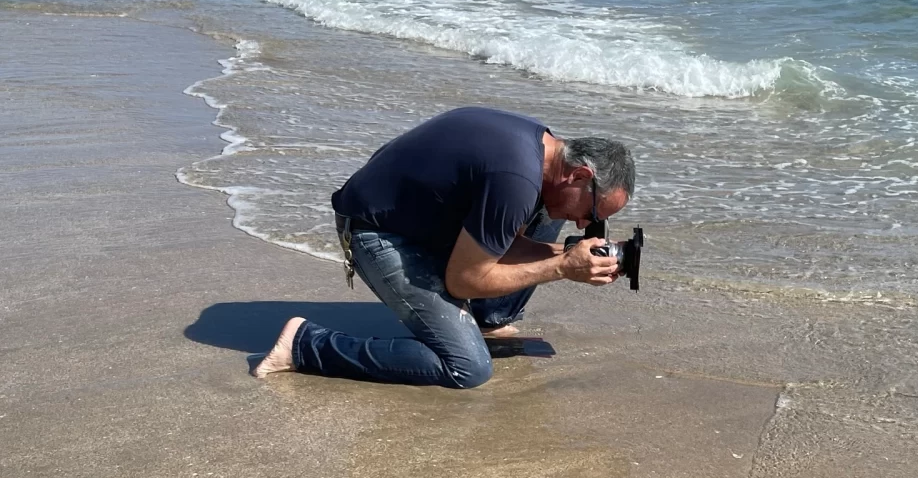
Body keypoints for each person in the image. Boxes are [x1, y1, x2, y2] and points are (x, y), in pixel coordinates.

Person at [251, 106, 636, 388]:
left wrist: (571, 258)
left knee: (550, 213)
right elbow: (464, 280)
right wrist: (562, 267)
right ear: (581, 174)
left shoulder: (540, 149)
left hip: (423, 217)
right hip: (377, 232)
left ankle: (485, 320)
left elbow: (503, 226)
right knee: (468, 368)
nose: (586, 224)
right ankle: (305, 345)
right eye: (592, 212)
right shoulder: (516, 178)